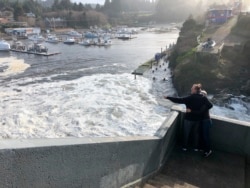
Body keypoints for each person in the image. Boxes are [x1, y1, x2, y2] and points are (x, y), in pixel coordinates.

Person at [164, 84, 211, 151]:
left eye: (192, 88)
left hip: (188, 119)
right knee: (196, 134)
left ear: (195, 90)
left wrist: (168, 97)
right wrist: (200, 111)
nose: (191, 89)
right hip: (198, 119)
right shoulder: (203, 98)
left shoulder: (190, 97)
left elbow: (179, 100)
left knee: (186, 133)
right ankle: (196, 148)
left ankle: (184, 147)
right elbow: (210, 105)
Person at [186, 90, 213, 157]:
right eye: (200, 94)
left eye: (203, 94)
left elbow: (200, 112)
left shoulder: (205, 104)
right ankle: (203, 149)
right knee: (202, 136)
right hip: (203, 121)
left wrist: (191, 111)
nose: (201, 95)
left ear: (205, 96)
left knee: (206, 137)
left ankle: (208, 151)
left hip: (206, 121)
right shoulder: (201, 103)